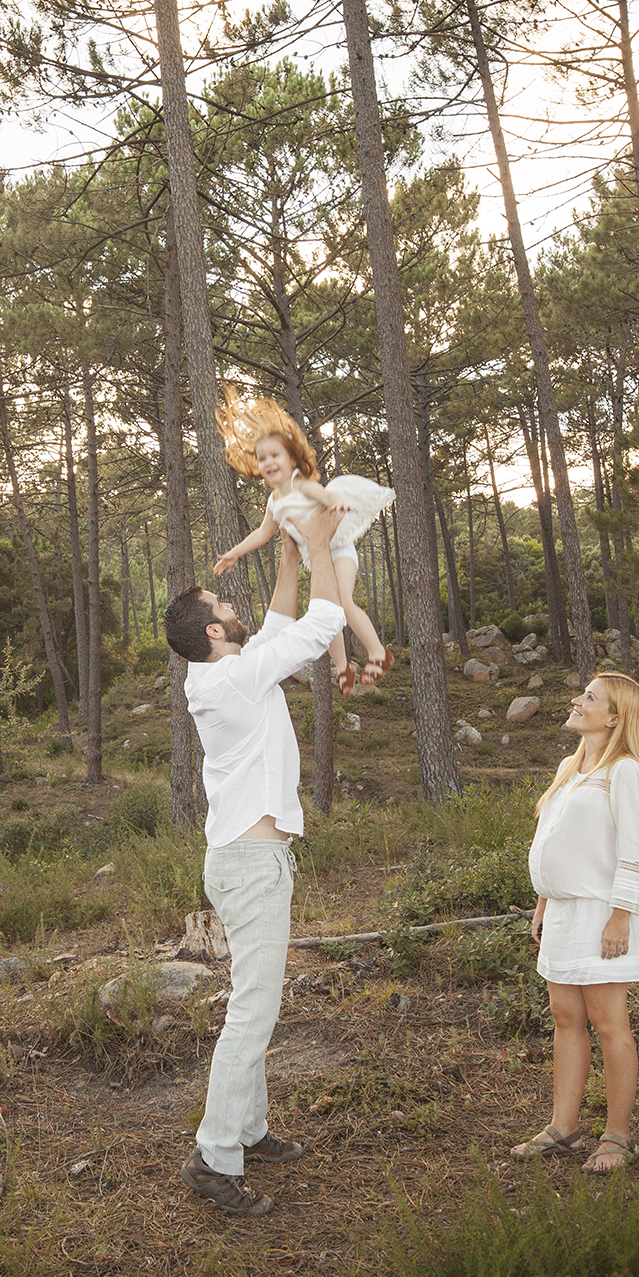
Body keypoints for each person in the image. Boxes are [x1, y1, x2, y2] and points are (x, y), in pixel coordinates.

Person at [163, 504, 346, 1216]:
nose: (232, 607)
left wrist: (293, 553)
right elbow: (321, 625)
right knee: (253, 1012)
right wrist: (324, 544)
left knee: (254, 1005)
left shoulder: (230, 670)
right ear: (213, 630)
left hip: (249, 858)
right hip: (249, 862)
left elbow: (274, 624)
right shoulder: (232, 680)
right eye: (223, 605)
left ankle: (251, 1129)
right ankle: (214, 1156)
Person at [511, 671, 639, 1175]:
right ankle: (563, 1126)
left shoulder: (625, 772)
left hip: (604, 912)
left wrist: (621, 917)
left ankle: (618, 1136)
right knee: (565, 1018)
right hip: (565, 911)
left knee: (609, 1022)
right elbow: (553, 842)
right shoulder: (570, 767)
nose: (577, 700)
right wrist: (542, 902)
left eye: (589, 697)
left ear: (614, 717)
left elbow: (635, 855)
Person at [213, 388, 394, 698]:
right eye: (262, 458)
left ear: (291, 458)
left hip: (338, 550)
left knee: (344, 604)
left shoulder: (301, 484)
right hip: (317, 559)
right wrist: (234, 553)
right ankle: (343, 667)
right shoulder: (274, 500)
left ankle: (378, 652)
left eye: (275, 455)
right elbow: (262, 534)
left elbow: (324, 494)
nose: (269, 462)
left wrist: (336, 500)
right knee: (325, 611)